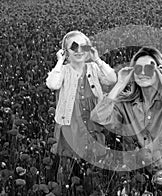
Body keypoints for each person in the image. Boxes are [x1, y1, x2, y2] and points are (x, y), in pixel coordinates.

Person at [91, 46, 162, 170]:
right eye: (138, 69)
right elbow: (98, 117)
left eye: (149, 68)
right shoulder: (125, 103)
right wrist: (120, 84)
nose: (143, 73)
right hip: (141, 171)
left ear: (160, 71)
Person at [45, 30, 117, 182]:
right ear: (66, 52)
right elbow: (52, 84)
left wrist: (98, 60)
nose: (79, 51)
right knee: (70, 155)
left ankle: (90, 179)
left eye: (83, 47)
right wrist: (59, 61)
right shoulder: (64, 70)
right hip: (71, 121)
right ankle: (69, 181)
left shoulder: (93, 67)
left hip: (92, 117)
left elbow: (111, 79)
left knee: (92, 151)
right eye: (74, 47)